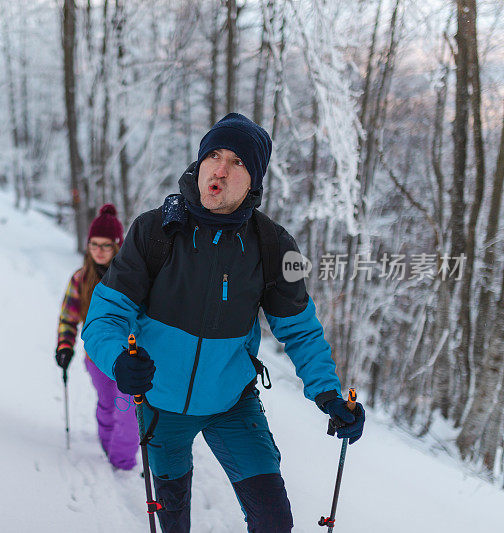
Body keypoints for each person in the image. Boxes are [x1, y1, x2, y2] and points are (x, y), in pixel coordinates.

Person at [81, 113, 365, 532]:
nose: (221, 168)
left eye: (238, 161)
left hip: (232, 404)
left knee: (273, 521)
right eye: (213, 154)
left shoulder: (274, 246)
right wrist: (118, 361)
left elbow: (300, 330)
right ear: (199, 165)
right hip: (161, 406)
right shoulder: (154, 232)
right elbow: (104, 316)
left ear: (254, 181)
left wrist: (327, 394)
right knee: (172, 520)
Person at [55, 204, 139, 471]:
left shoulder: (132, 277)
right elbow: (68, 318)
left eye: (105, 245)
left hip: (129, 357)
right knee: (107, 406)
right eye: (94, 244)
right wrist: (65, 346)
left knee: (128, 413)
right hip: (97, 359)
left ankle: (121, 462)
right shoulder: (80, 279)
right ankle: (107, 448)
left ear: (117, 245)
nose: (99, 251)